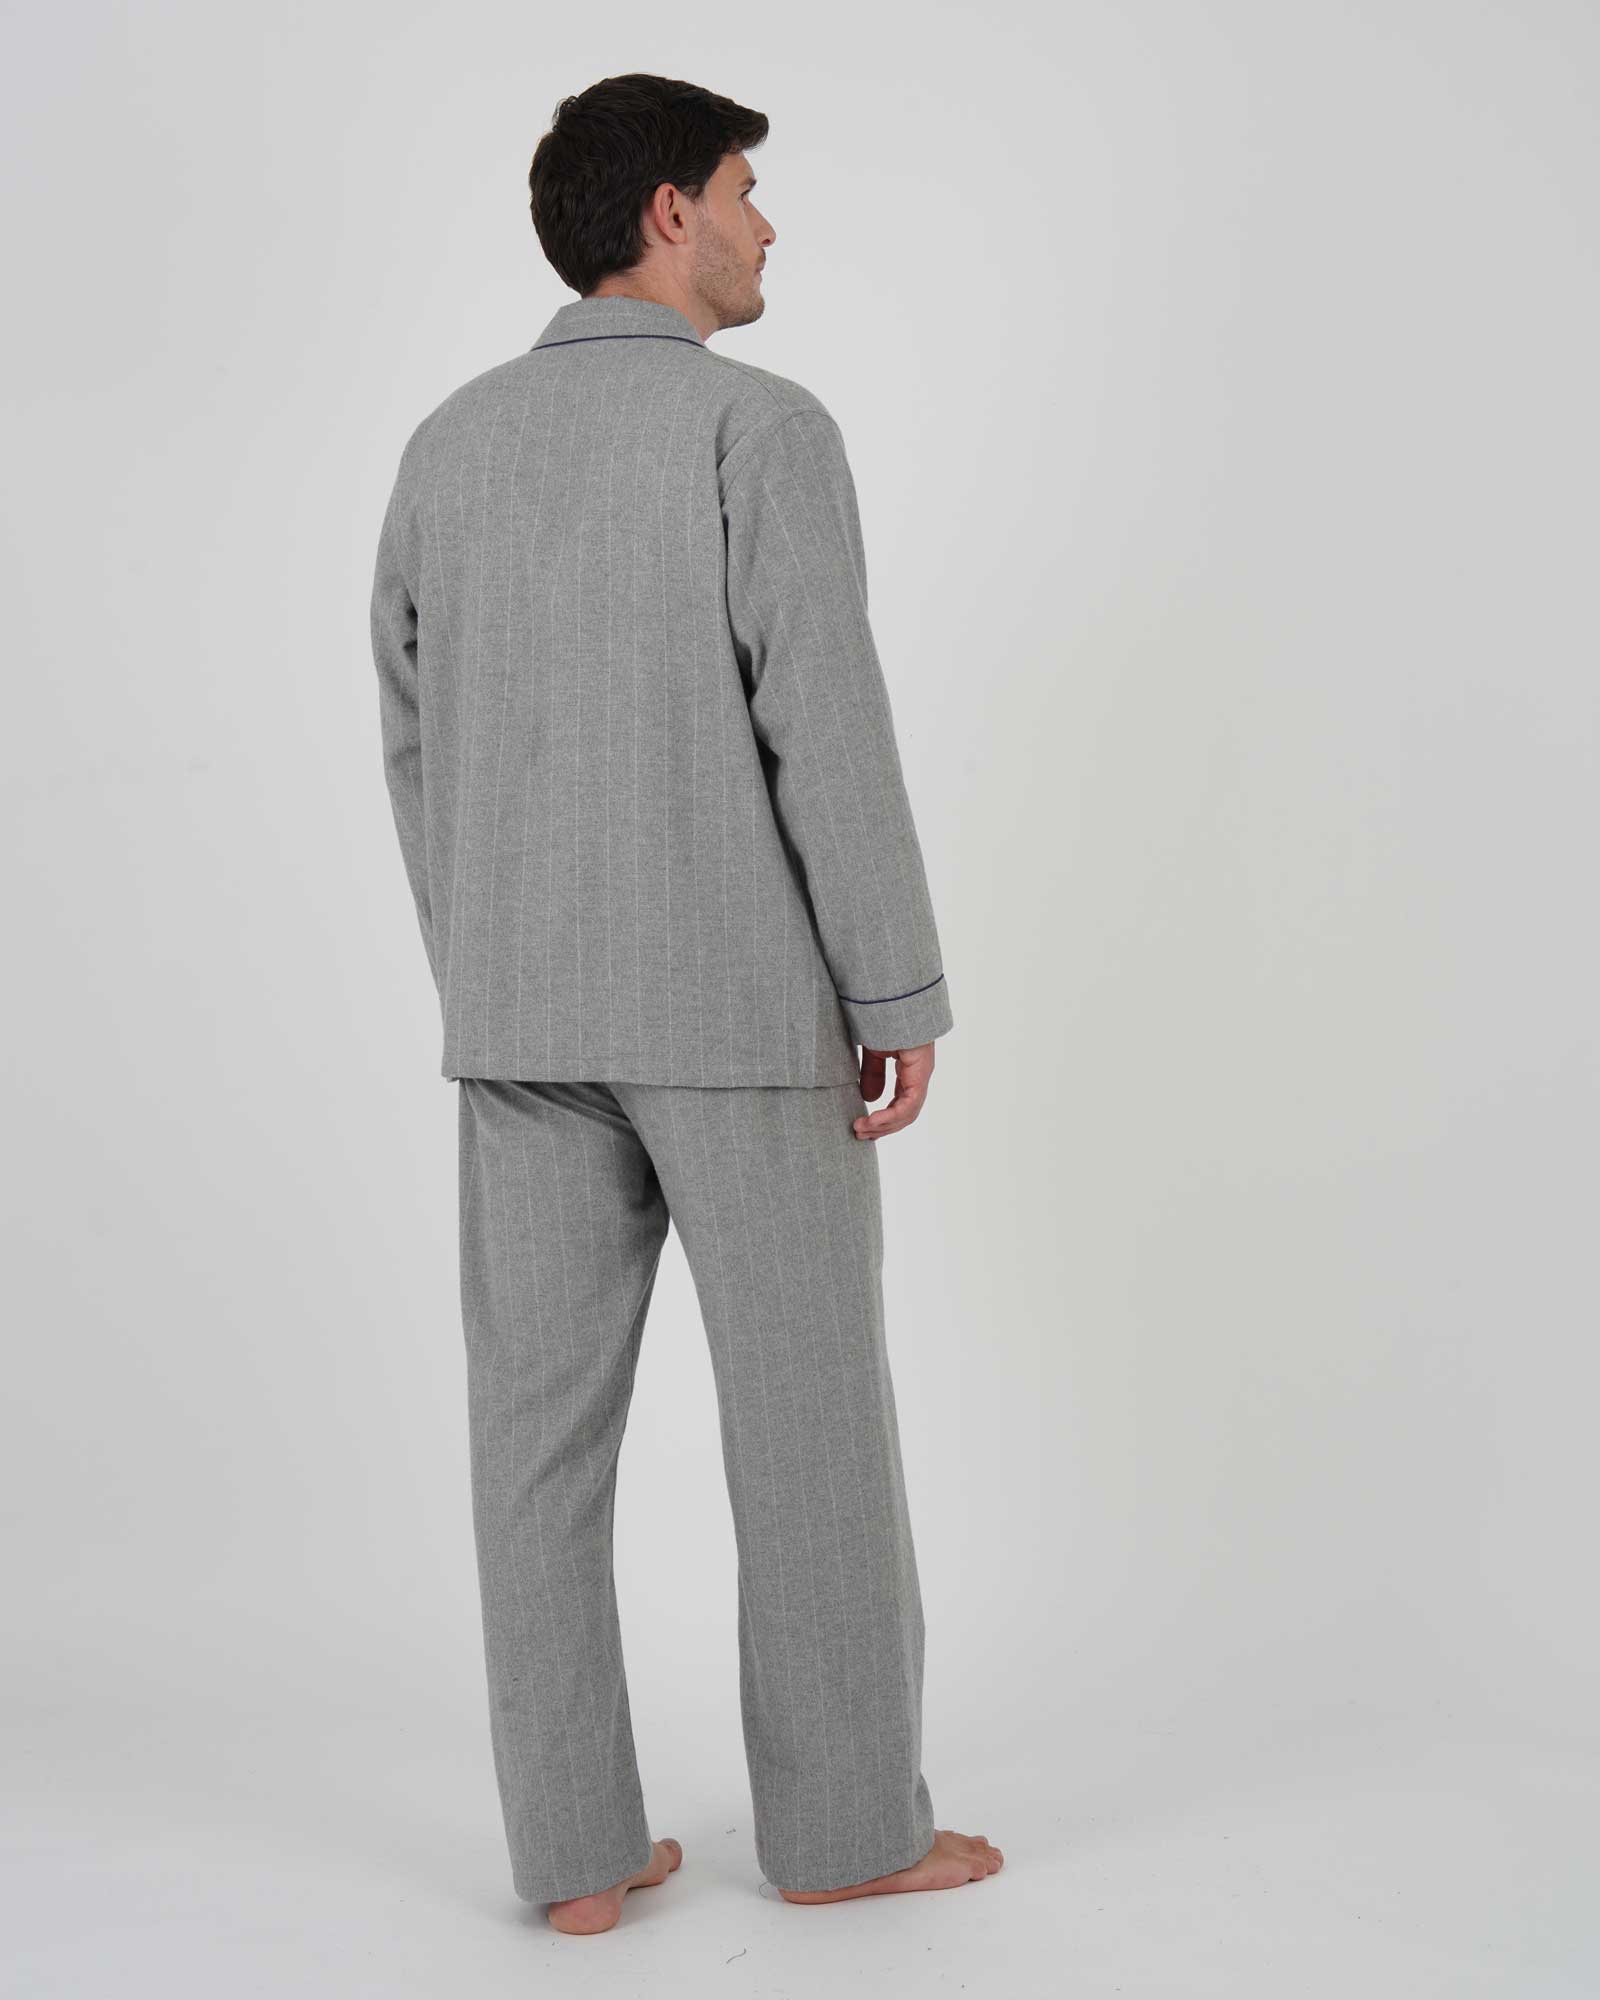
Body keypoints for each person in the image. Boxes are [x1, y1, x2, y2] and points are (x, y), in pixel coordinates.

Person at [368, 71, 1001, 1935]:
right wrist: (893, 986)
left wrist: (488, 963)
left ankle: (573, 1864)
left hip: (519, 1022)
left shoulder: (447, 446)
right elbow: (828, 727)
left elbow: (412, 739)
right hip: (735, 1014)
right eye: (744, 190)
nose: (765, 223)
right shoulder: (759, 429)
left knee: (533, 1452)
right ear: (668, 213)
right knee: (809, 1430)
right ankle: (846, 1832)